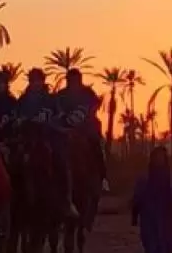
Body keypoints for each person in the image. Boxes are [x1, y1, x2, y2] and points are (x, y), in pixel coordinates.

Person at [18, 68, 78, 219]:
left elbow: (59, 115)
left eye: (38, 80)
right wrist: (20, 121)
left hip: (48, 136)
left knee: (60, 161)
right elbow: (16, 115)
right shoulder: (22, 100)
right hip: (25, 137)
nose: (35, 83)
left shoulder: (51, 99)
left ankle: (66, 201)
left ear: (42, 81)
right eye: (32, 80)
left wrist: (48, 119)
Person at [55, 67, 108, 214]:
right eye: (70, 80)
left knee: (96, 148)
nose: (73, 83)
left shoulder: (88, 93)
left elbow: (95, 105)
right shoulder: (61, 96)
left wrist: (86, 117)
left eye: (75, 80)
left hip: (87, 131)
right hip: (66, 132)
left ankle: (103, 178)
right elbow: (57, 112)